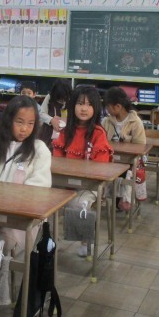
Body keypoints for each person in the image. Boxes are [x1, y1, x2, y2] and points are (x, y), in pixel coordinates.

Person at [0, 95, 52, 256]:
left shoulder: (39, 149)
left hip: (20, 216)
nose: (24, 129)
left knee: (3, 242)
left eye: (30, 123)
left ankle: (1, 273)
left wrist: (10, 201)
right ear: (8, 120)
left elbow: (39, 186)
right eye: (19, 122)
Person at [53, 86, 113, 257]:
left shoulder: (98, 133)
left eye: (89, 104)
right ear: (72, 106)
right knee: (45, 203)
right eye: (80, 104)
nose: (84, 108)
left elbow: (100, 167)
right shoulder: (66, 132)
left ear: (96, 108)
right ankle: (51, 239)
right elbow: (57, 159)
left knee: (78, 205)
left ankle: (86, 242)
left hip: (89, 185)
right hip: (65, 183)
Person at [38, 78, 72, 149]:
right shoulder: (49, 97)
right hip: (49, 133)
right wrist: (51, 120)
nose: (62, 100)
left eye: (64, 98)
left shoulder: (72, 100)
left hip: (66, 133)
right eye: (59, 98)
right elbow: (41, 113)